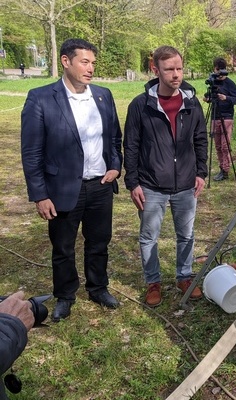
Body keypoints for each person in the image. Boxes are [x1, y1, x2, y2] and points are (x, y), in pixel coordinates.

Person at [21, 39, 123, 322]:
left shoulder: (103, 95)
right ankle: (65, 295)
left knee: (99, 241)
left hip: (100, 185)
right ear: (66, 62)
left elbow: (114, 137)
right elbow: (31, 153)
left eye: (93, 63)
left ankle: (98, 287)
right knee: (63, 246)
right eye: (84, 62)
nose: (90, 69)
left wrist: (115, 165)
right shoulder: (41, 98)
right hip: (64, 188)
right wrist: (40, 195)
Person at [124, 45, 208, 307]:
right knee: (149, 236)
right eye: (169, 69)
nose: (176, 74)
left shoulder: (192, 103)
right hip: (151, 185)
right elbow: (131, 145)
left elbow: (200, 139)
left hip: (185, 183)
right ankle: (153, 282)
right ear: (155, 69)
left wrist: (202, 172)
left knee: (187, 234)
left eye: (179, 68)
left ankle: (184, 277)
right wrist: (133, 182)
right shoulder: (141, 106)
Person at [203, 57, 236, 181]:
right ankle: (221, 168)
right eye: (217, 70)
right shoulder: (213, 81)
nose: (219, 73)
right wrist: (208, 99)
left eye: (221, 70)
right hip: (215, 116)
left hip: (227, 117)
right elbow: (209, 95)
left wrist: (226, 98)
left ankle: (225, 170)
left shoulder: (230, 83)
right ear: (214, 69)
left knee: (225, 146)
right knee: (218, 146)